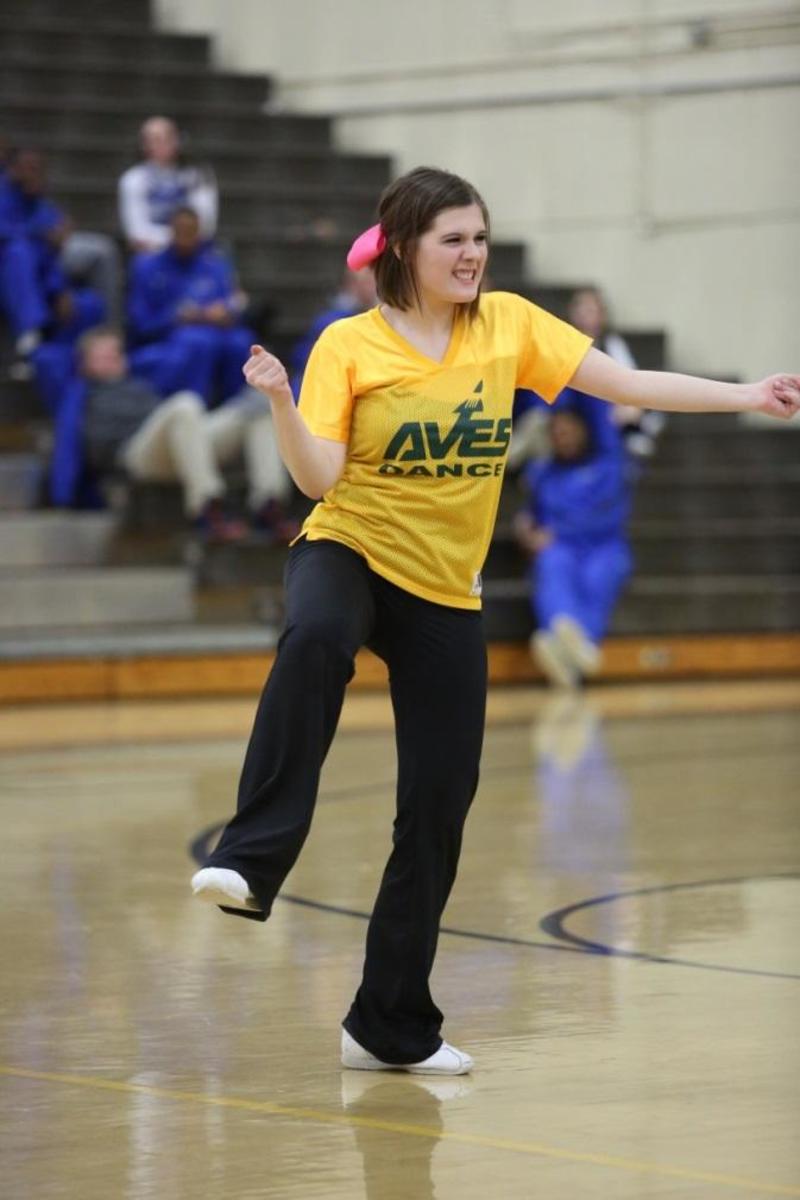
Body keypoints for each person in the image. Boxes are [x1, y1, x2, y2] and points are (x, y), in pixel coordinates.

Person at [189, 165, 799, 1076]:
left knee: (437, 806)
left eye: (480, 238)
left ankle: (388, 1025)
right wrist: (280, 400)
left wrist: (746, 395)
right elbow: (317, 477)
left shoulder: (510, 325)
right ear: (404, 248)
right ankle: (252, 857)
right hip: (349, 547)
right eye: (453, 240)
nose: (473, 254)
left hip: (446, 587)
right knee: (315, 638)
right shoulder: (347, 344)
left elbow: (620, 385)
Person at [51, 325, 292, 538]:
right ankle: (207, 507)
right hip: (135, 455)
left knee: (259, 406)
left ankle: (268, 505)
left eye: (116, 352)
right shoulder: (80, 395)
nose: (113, 358)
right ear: (85, 363)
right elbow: (79, 447)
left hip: (181, 444)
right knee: (185, 403)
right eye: (103, 355)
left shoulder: (139, 383)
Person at [514, 405, 632, 686]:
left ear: (583, 431)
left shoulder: (609, 465)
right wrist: (527, 530)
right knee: (551, 564)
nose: (563, 438)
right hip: (561, 546)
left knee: (601, 573)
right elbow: (533, 517)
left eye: (568, 431)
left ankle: (566, 644)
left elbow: (610, 515)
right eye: (557, 433)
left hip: (603, 545)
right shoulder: (543, 473)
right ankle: (573, 643)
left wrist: (557, 531)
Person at [127, 206, 253, 405]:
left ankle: (235, 411)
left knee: (240, 341)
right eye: (180, 231)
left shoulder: (215, 266)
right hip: (169, 337)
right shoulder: (147, 267)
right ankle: (195, 409)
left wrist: (226, 313)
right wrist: (177, 316)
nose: (185, 237)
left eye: (191, 231)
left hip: (214, 332)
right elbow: (141, 322)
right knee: (197, 341)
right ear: (171, 231)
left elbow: (231, 306)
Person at [0, 147, 105, 372]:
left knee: (88, 303)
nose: (35, 175)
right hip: (8, 273)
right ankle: (30, 339)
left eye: (39, 170)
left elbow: (52, 253)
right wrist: (40, 232)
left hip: (39, 279)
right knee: (19, 252)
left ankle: (74, 358)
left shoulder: (42, 205)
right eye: (29, 169)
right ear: (13, 171)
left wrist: (59, 290)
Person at [567, 285, 665, 458]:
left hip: (606, 408)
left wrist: (632, 408)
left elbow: (631, 380)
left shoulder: (612, 345)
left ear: (601, 315)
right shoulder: (564, 343)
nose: (584, 316)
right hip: (574, 407)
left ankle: (634, 434)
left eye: (590, 310)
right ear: (572, 314)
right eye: (580, 309)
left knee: (631, 407)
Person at [118, 115, 218, 254]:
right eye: (153, 140)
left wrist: (184, 239)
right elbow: (137, 233)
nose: (160, 144)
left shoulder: (198, 176)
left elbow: (206, 226)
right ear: (143, 145)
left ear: (178, 140)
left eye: (167, 138)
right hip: (153, 255)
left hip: (195, 251)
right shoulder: (132, 179)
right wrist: (179, 238)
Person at [289, 266, 377, 394]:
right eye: (367, 282)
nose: (373, 287)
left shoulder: (382, 315)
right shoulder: (331, 321)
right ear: (351, 284)